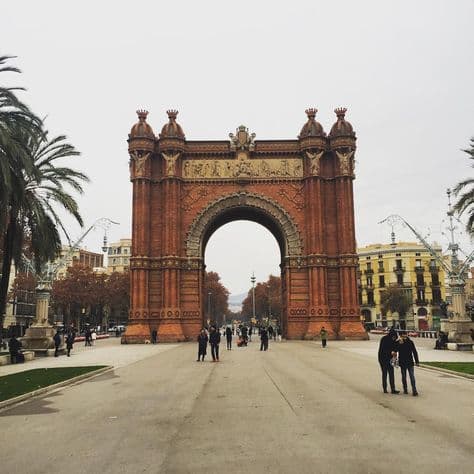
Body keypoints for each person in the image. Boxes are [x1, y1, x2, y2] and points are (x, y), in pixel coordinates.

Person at [378, 329, 400, 394]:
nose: (394, 338)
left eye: (395, 337)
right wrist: (390, 352)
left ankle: (393, 389)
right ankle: (385, 388)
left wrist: (398, 343)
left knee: (391, 374)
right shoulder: (384, 339)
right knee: (384, 374)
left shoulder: (394, 340)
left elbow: (396, 349)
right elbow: (383, 349)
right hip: (383, 359)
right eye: (393, 337)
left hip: (390, 359)